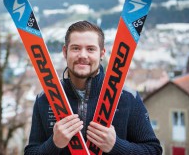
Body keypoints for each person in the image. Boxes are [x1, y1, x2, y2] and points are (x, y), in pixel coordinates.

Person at [24, 20, 162, 154]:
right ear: (65, 52)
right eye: (76, 48)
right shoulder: (45, 99)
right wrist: (54, 144)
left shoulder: (127, 97)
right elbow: (31, 152)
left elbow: (153, 150)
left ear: (101, 54)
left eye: (90, 49)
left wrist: (116, 146)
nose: (82, 55)